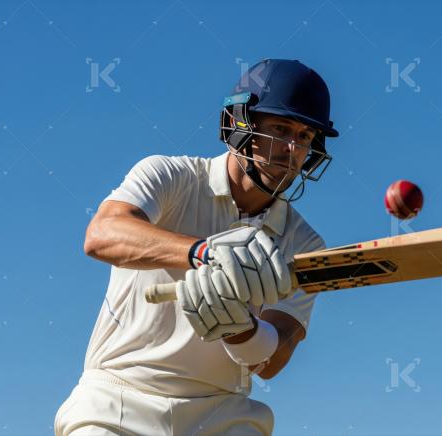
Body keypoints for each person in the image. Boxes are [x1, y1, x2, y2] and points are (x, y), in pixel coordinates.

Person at [55, 59, 338, 435]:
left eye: (304, 136)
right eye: (281, 129)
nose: (292, 148)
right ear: (240, 122)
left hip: (222, 412)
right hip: (118, 398)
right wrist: (204, 254)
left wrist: (239, 328)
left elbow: (273, 361)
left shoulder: (303, 243)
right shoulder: (170, 176)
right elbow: (102, 234)